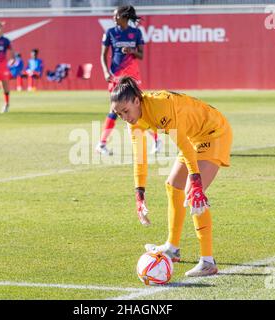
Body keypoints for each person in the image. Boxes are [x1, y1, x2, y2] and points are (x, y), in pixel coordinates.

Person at [111, 76, 233, 277]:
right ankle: (172, 248)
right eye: (118, 114)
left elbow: (184, 146)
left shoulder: (160, 109)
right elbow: (139, 157)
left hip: (214, 133)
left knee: (193, 194)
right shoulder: (134, 121)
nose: (124, 117)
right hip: (195, 136)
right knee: (173, 184)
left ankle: (208, 262)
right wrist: (139, 193)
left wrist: (196, 182)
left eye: (125, 111)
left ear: (136, 100)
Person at [96, 5, 161, 156]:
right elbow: (103, 55)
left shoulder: (136, 33)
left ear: (124, 17)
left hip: (132, 78)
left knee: (139, 110)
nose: (114, 18)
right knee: (114, 109)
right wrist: (106, 71)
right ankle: (102, 144)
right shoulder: (110, 33)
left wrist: (131, 51)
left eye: (116, 16)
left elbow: (141, 55)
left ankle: (157, 139)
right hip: (116, 77)